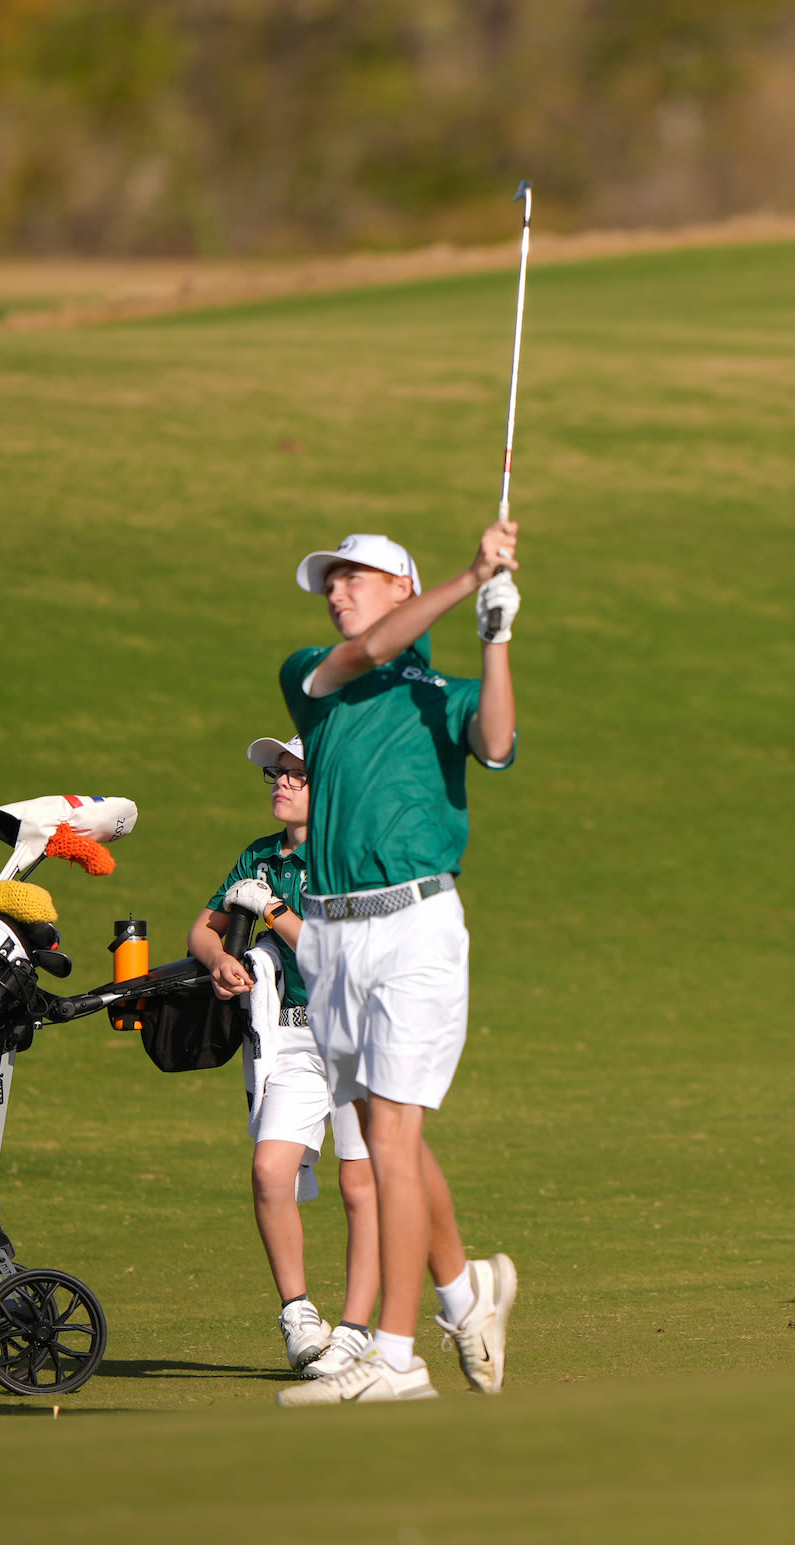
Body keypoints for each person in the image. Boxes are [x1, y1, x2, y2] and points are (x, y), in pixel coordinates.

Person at [272, 528, 522, 1406]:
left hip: (414, 922)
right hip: (332, 934)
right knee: (388, 1131)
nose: (335, 592)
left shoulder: (441, 696)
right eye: (329, 581)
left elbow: (495, 741)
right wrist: (471, 577)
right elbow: (370, 649)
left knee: (390, 1142)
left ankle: (398, 1357)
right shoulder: (316, 674)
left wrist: (494, 638)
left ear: (398, 583)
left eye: (353, 578)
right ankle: (466, 1295)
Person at [187, 736, 379, 1378]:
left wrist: (269, 909)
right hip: (294, 1036)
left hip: (359, 1034)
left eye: (294, 774)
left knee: (361, 1186)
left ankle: (355, 1330)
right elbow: (204, 927)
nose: (280, 783)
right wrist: (219, 962)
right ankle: (299, 1315)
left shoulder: (349, 854)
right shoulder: (259, 855)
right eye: (276, 773)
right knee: (271, 1172)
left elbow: (330, 952)